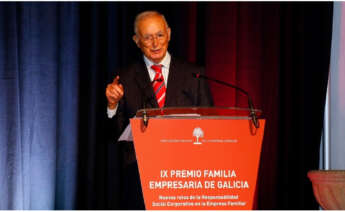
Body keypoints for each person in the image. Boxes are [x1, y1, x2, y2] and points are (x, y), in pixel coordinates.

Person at [105, 10, 213, 210]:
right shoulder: (125, 78)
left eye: (160, 35)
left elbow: (209, 127)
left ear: (169, 34)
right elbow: (113, 134)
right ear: (137, 41)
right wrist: (112, 106)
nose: (155, 43)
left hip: (184, 177)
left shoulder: (194, 74)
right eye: (147, 37)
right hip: (139, 179)